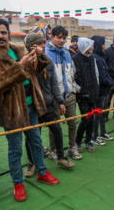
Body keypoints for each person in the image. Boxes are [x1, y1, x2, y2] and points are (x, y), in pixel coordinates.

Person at [0, 18, 59, 202]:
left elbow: (34, 72)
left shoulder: (18, 49)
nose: (0, 36)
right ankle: (18, 183)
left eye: (3, 32)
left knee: (36, 141)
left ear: (8, 32)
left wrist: (39, 57)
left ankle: (42, 172)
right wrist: (20, 65)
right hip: (11, 111)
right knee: (15, 149)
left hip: (31, 105)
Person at [23, 33, 74, 175]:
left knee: (57, 129)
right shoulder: (25, 63)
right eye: (40, 44)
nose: (44, 46)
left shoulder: (48, 62)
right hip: (32, 107)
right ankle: (32, 163)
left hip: (47, 105)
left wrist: (60, 102)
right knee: (32, 137)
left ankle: (61, 157)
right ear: (30, 47)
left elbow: (54, 85)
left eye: (44, 43)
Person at [45, 26, 81, 160]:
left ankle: (72, 148)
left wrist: (74, 88)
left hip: (70, 96)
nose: (62, 40)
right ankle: (54, 150)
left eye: (64, 38)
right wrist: (53, 96)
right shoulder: (46, 54)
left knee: (73, 123)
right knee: (55, 126)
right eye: (59, 37)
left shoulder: (67, 53)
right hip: (54, 97)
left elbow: (71, 74)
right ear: (52, 37)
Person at [72, 38, 99, 152]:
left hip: (93, 94)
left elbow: (96, 75)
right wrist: (79, 89)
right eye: (90, 46)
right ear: (85, 46)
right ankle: (78, 142)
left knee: (92, 119)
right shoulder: (75, 59)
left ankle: (88, 141)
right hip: (82, 95)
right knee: (85, 119)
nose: (92, 48)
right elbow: (71, 77)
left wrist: (96, 88)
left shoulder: (93, 59)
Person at [91, 35, 114, 144]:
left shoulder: (101, 57)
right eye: (102, 44)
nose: (104, 46)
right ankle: (94, 136)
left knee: (103, 112)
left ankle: (102, 132)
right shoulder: (96, 58)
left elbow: (106, 73)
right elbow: (101, 76)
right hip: (99, 91)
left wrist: (111, 82)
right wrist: (111, 83)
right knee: (98, 114)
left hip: (105, 90)